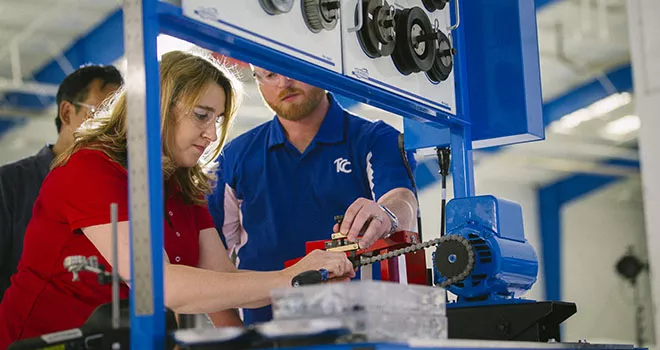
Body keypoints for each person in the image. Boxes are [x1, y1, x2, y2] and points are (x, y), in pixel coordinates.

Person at [0, 51, 354, 349]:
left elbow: (223, 285)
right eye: (202, 115)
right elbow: (163, 285)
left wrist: (246, 340)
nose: (212, 133)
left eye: (217, 120)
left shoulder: (181, 186)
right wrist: (290, 277)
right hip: (42, 341)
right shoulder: (90, 169)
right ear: (158, 105)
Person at [208, 66, 418, 325]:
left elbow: (401, 198)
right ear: (257, 80)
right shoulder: (235, 158)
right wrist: (237, 338)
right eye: (270, 75)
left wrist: (387, 214)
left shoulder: (375, 139)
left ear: (320, 64)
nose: (284, 82)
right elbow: (208, 265)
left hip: (363, 331)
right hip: (266, 335)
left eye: (291, 67)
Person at [0, 65, 123, 301]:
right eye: (103, 113)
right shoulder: (9, 186)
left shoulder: (121, 191)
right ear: (67, 113)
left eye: (120, 119)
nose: (113, 130)